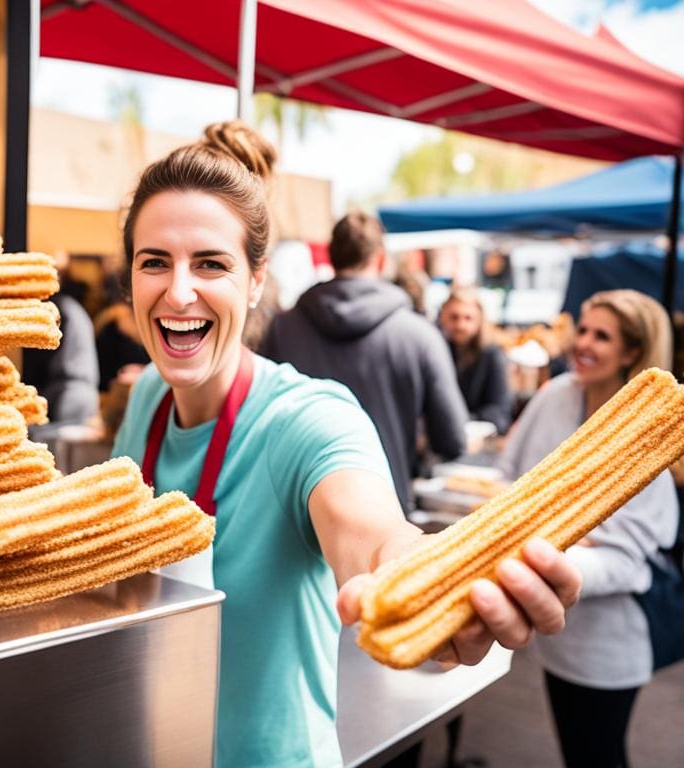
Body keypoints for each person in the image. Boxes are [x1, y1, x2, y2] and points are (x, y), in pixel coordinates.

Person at [109, 120, 581, 768]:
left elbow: (376, 540)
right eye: (153, 261)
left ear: (254, 280)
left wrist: (432, 588)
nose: (178, 290)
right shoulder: (145, 402)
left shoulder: (306, 420)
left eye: (211, 263)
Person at [498, 289, 678, 768]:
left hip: (609, 644)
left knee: (597, 756)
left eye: (602, 336)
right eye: (583, 329)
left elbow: (628, 559)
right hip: (557, 635)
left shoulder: (647, 436)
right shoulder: (558, 393)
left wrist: (538, 550)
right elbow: (510, 477)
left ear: (632, 352)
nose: (584, 342)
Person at [260, 210, 468, 512]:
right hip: (386, 515)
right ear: (381, 260)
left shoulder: (280, 329)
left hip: (296, 510)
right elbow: (452, 440)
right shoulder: (419, 335)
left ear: (332, 258)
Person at [438, 287, 514, 435]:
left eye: (468, 318)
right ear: (443, 317)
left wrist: (465, 419)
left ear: (479, 320)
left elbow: (500, 412)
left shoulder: (492, 355)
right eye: (454, 317)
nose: (461, 325)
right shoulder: (437, 350)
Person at [21, 291, 99, 424]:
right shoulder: (70, 307)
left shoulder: (55, 310)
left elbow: (37, 367)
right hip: (77, 395)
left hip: (66, 398)